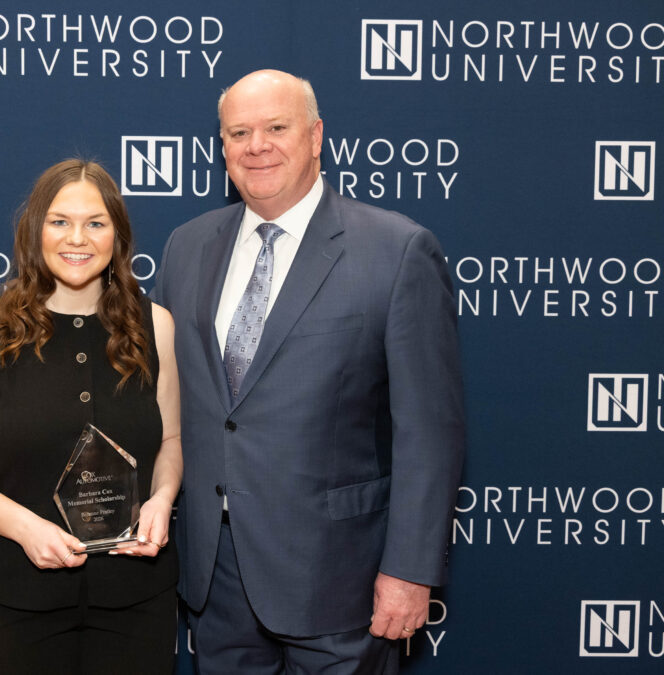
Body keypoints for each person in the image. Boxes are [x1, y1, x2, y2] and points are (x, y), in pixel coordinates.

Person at [153, 69, 465, 673]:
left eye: (276, 127)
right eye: (238, 132)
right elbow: (168, 400)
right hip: (215, 574)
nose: (256, 146)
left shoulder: (397, 250)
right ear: (221, 146)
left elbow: (430, 430)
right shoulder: (186, 247)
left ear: (316, 136)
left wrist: (410, 569)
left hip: (340, 576)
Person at [0, 159, 182, 674]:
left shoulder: (157, 328)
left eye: (95, 223)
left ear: (117, 236)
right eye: (59, 221)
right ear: (34, 229)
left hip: (137, 596)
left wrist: (163, 498)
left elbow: (171, 440)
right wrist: (24, 527)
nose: (76, 238)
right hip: (20, 596)